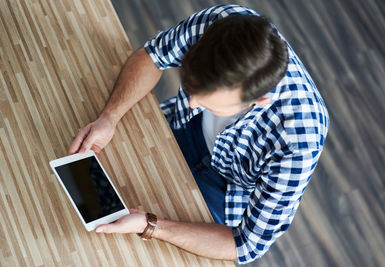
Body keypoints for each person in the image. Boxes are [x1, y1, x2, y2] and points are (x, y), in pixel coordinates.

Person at [68, 4, 329, 264]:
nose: (192, 103)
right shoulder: (222, 24)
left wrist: (151, 226)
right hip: (183, 124)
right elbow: (153, 55)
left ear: (259, 100)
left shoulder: (300, 139)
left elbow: (247, 244)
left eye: (208, 100)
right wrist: (109, 117)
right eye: (192, 89)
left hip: (225, 186)